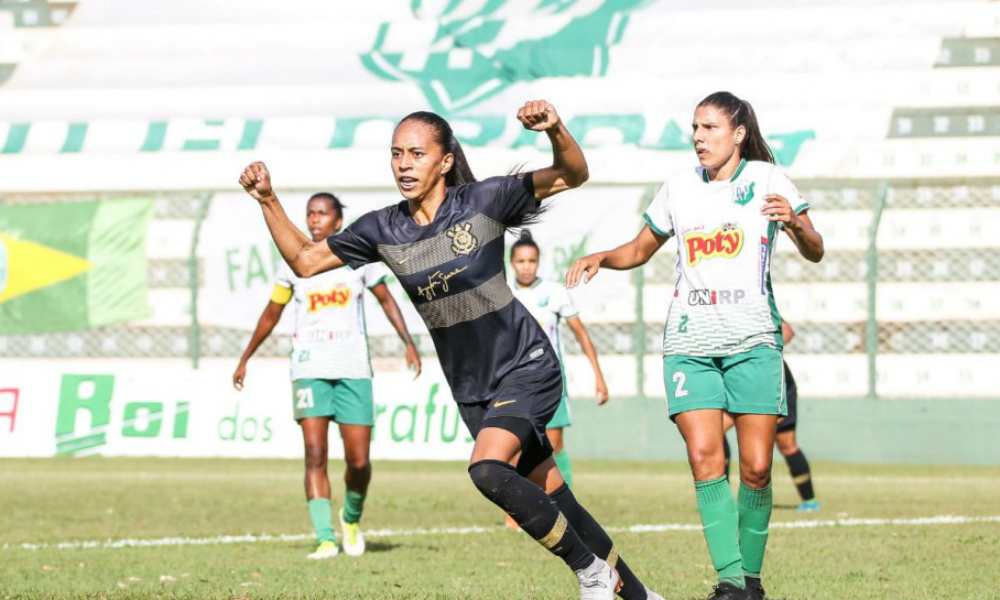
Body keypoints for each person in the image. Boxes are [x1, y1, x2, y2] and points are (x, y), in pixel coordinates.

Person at [239, 100, 665, 600]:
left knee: (486, 469)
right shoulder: (382, 229)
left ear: (444, 161)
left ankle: (591, 574)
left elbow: (573, 173)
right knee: (556, 497)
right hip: (471, 387)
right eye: (396, 154)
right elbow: (307, 262)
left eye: (417, 154)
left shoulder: (486, 200)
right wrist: (267, 199)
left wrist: (555, 130)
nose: (403, 164)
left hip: (526, 364)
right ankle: (639, 596)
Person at [567, 91, 824, 600]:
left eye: (709, 128)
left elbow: (816, 249)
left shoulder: (768, 180)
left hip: (754, 339)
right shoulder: (679, 187)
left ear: (738, 133)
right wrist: (603, 256)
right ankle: (730, 582)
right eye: (695, 128)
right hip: (690, 341)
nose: (699, 138)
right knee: (706, 459)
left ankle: (750, 581)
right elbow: (642, 248)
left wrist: (794, 223)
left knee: (755, 466)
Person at [232, 192, 422, 560]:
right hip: (309, 368)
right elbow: (271, 313)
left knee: (359, 462)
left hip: (353, 369)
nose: (315, 220)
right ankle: (324, 538)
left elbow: (386, 299)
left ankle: (350, 519)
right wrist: (246, 356)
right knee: (315, 454)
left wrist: (408, 342)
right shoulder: (292, 265)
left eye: (323, 214)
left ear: (337, 222)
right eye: (310, 214)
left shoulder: (359, 260)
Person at [509, 231, 609, 489]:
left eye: (531, 261)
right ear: (512, 263)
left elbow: (581, 335)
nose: (526, 266)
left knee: (553, 445)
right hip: (514, 381)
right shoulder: (504, 295)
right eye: (521, 261)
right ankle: (513, 514)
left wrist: (598, 377)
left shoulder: (554, 292)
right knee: (512, 447)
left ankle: (566, 505)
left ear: (538, 262)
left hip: (549, 379)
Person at [722, 321, 818, 512]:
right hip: (741, 378)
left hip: (771, 379)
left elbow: (787, 331)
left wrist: (760, 357)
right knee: (716, 429)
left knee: (786, 443)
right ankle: (722, 498)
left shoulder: (755, 303)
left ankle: (810, 501)